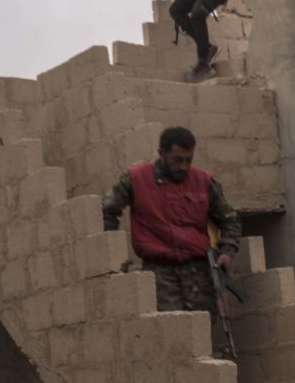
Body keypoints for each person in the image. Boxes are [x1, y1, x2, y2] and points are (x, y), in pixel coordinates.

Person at [102, 126, 240, 324]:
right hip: (159, 274)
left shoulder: (203, 181)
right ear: (161, 154)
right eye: (177, 160)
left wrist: (227, 251)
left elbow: (230, 219)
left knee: (204, 331)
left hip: (198, 274)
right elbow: (108, 210)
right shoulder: (135, 179)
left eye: (188, 160)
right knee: (172, 333)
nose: (183, 166)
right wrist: (112, 260)